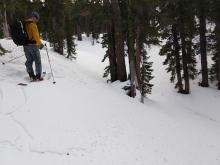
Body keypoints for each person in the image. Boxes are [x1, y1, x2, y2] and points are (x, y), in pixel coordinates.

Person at [23, 11, 44, 81]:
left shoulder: (25, 23)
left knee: (29, 60)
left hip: (25, 45)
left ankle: (31, 75)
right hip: (33, 45)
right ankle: (38, 76)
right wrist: (40, 44)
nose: (37, 21)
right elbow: (36, 36)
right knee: (37, 60)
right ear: (34, 17)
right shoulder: (32, 24)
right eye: (37, 19)